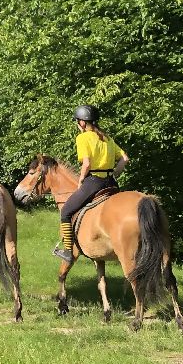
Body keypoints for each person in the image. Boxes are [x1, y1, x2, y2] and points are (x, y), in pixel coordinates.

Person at [54, 105, 129, 261]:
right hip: (111, 183)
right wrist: (115, 173)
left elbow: (86, 164)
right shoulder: (107, 138)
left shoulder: (83, 138)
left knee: (66, 211)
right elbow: (125, 159)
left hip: (94, 182)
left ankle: (68, 251)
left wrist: (81, 180)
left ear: (82, 123)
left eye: (77, 121)